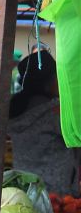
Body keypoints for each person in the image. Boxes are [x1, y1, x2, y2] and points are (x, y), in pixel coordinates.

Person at [8, 51, 78, 195]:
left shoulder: (16, 108)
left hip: (24, 190)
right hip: (57, 194)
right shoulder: (55, 111)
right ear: (48, 82)